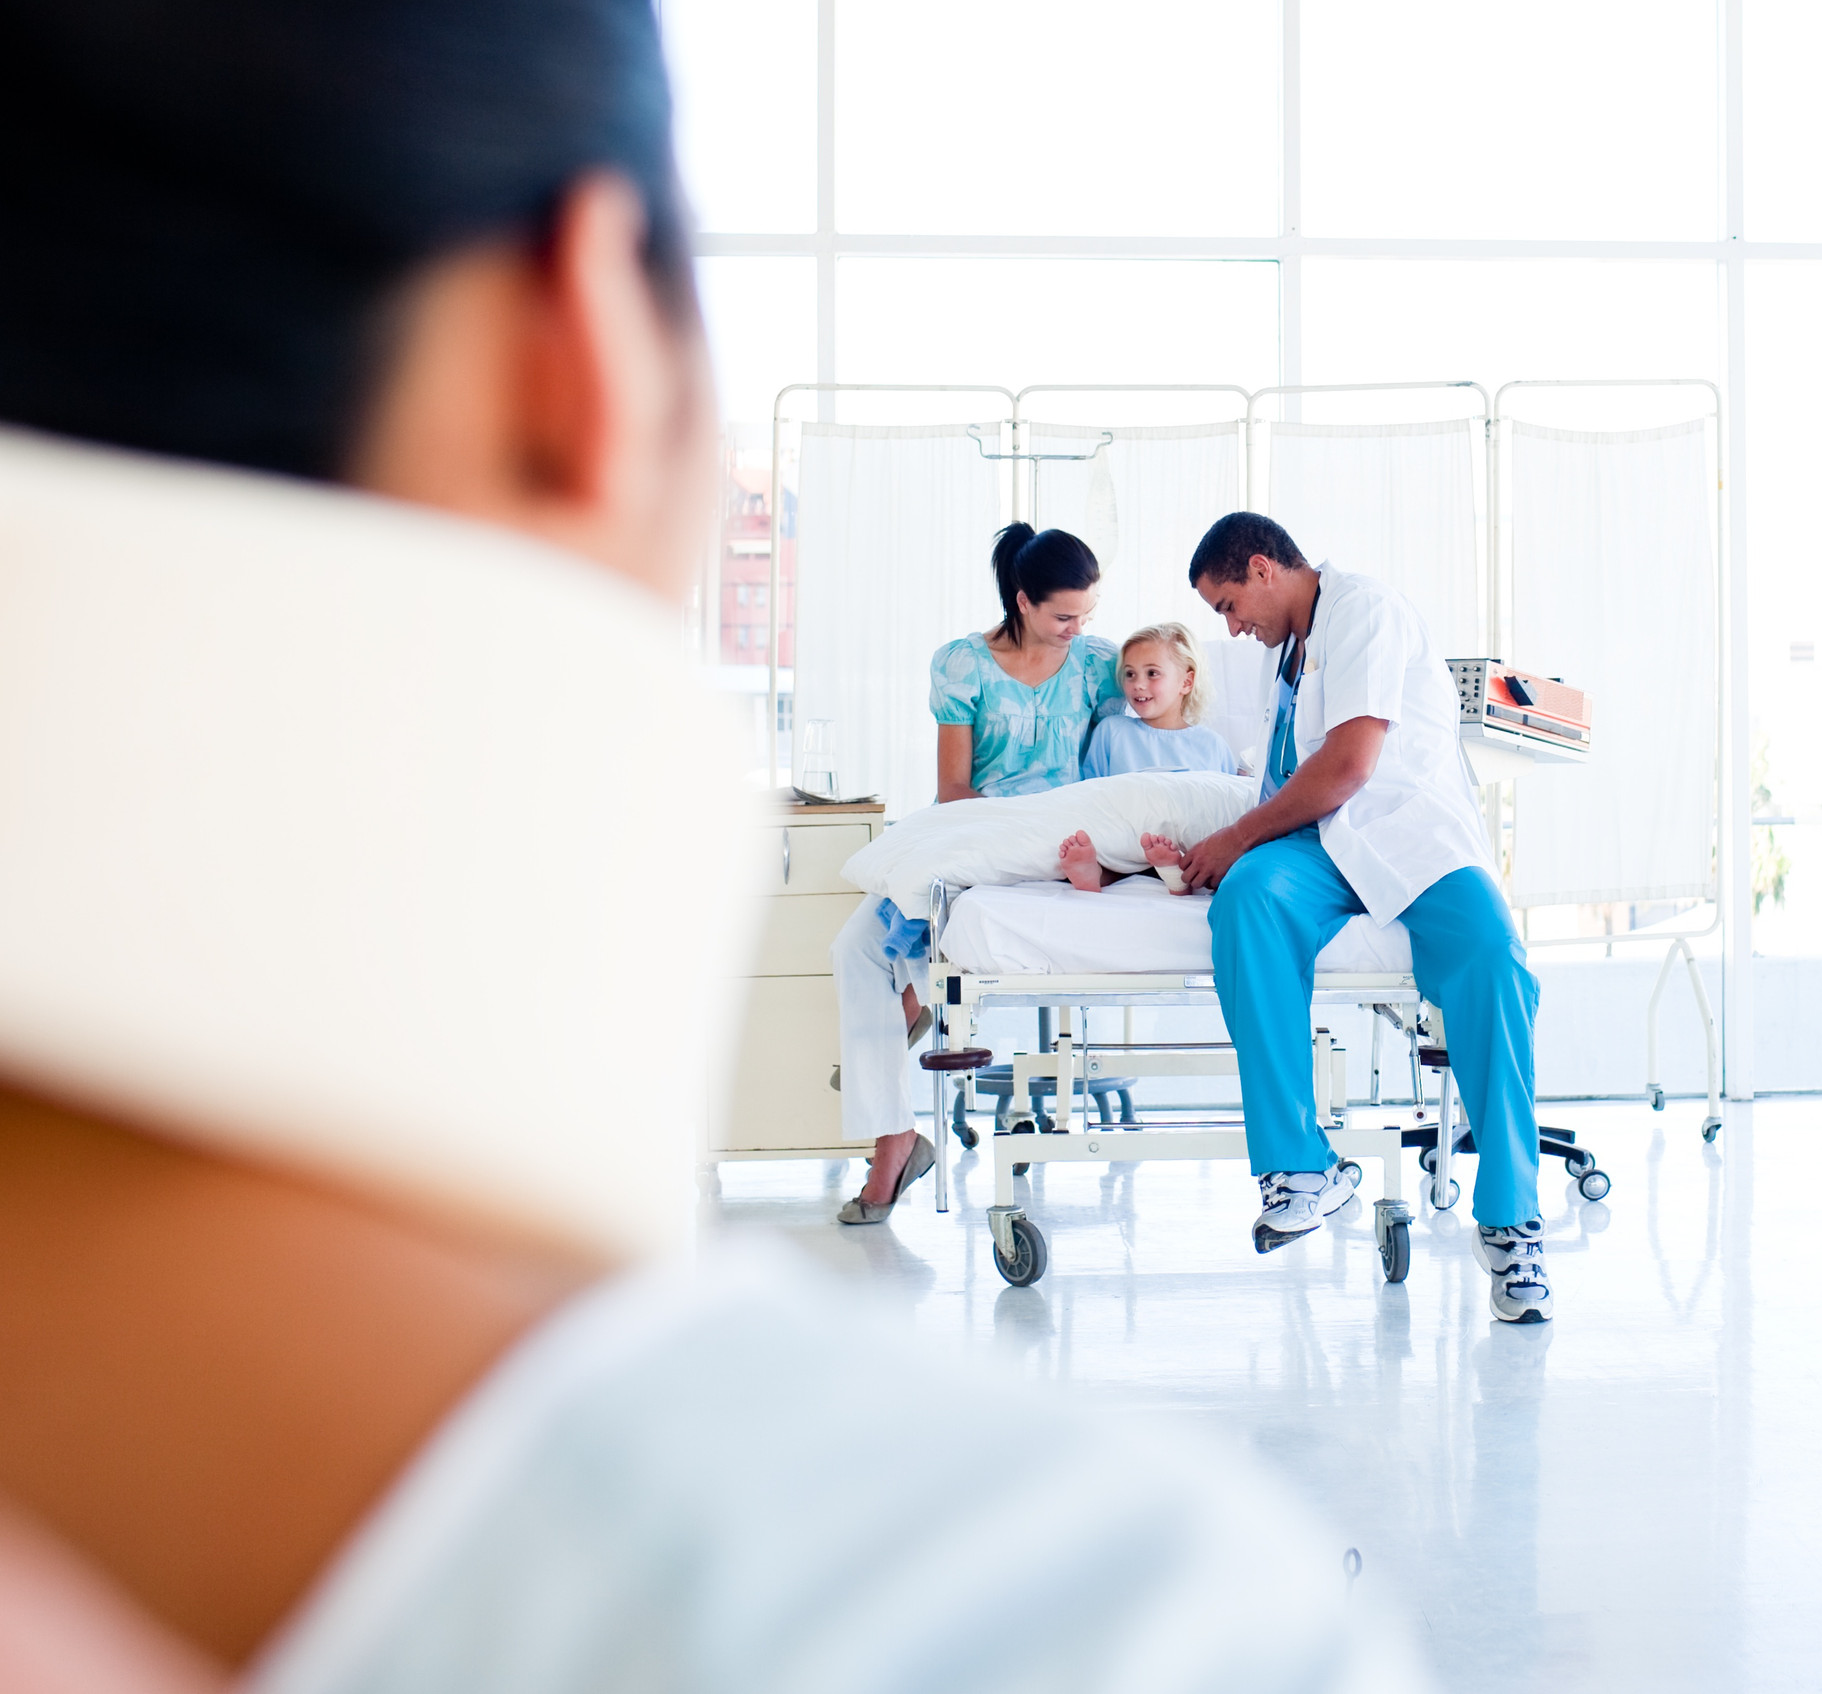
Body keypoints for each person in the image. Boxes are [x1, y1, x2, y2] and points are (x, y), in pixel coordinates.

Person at [0, 3, 1431, 1689]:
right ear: (581, 336)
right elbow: (965, 797)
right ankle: (908, 1111)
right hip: (1024, 865)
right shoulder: (1080, 1610)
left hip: (1138, 844)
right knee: (901, 898)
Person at [1174, 514, 1552, 1325]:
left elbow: (1348, 766)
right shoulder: (1291, 651)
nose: (1233, 627)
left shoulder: (1364, 611)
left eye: (1230, 603)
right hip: (1316, 848)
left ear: (1265, 567)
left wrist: (1237, 834)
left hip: (1410, 835)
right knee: (1249, 900)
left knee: (1493, 959)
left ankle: (1512, 1220)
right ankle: (1302, 1166)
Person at [829, 521, 1121, 1225]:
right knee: (855, 947)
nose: (1076, 628)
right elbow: (953, 786)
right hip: (976, 827)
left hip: (1060, 841)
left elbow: (1132, 752)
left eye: (1086, 614)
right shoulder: (960, 664)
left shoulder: (1097, 664)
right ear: (1021, 601)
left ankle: (886, 1094)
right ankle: (896, 1123)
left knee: (922, 971)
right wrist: (997, 830)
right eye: (1062, 615)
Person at [1057, 620, 1243, 892]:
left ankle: (1175, 872)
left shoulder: (1211, 744)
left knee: (1194, 846)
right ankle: (1097, 873)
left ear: (1186, 682)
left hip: (1182, 844)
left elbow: (1222, 807)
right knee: (1107, 843)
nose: (1138, 685)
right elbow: (1091, 794)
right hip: (1125, 840)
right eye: (1130, 674)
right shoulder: (1112, 731)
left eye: (1152, 673)